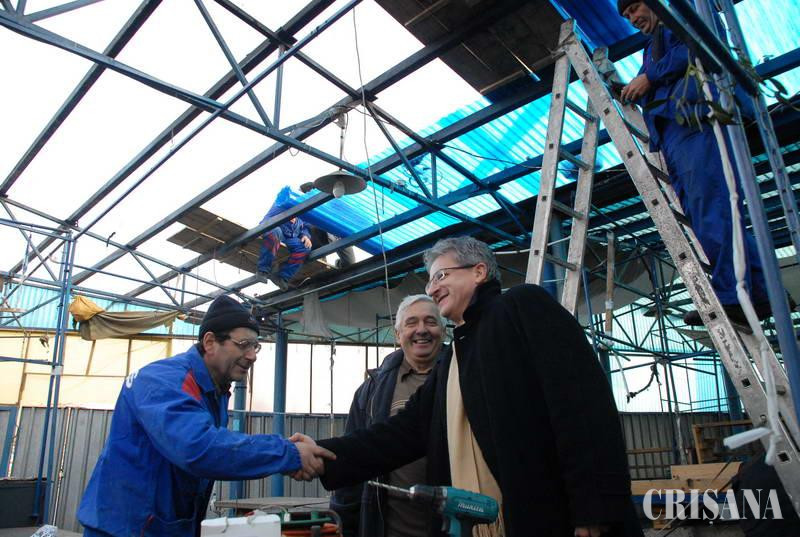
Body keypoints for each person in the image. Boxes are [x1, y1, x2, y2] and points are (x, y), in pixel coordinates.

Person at [311, 237, 642, 537]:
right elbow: (402, 432)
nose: (432, 289)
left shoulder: (522, 306)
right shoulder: (453, 359)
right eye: (430, 280)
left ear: (479, 272)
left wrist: (593, 508)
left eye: (441, 276)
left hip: (556, 518)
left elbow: (581, 406)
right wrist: (322, 455)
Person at [77, 295, 334, 537]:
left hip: (164, 526)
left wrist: (288, 451)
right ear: (210, 342)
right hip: (126, 528)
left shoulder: (214, 389)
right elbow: (199, 448)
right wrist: (287, 454)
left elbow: (215, 445)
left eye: (255, 346)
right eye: (244, 344)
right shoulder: (163, 380)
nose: (252, 355)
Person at [618, 0, 770, 326]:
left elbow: (702, 41)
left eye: (635, 8)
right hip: (675, 136)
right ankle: (762, 292)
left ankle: (736, 296)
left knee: (712, 210)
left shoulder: (681, 15)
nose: (633, 18)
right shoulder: (651, 46)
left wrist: (649, 77)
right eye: (627, 15)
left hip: (697, 124)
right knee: (706, 215)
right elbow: (662, 80)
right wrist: (637, 88)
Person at [332, 295, 447, 537]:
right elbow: (354, 462)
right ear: (397, 334)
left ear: (444, 331)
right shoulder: (371, 391)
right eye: (411, 323)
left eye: (430, 322)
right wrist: (344, 524)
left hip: (454, 523)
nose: (422, 330)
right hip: (387, 528)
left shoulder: (464, 377)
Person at [257, 198, 313, 291]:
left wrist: (305, 235)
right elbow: (266, 220)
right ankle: (263, 270)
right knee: (275, 232)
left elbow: (305, 228)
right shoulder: (281, 204)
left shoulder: (303, 214)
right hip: (276, 231)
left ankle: (282, 277)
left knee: (305, 247)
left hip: (290, 238)